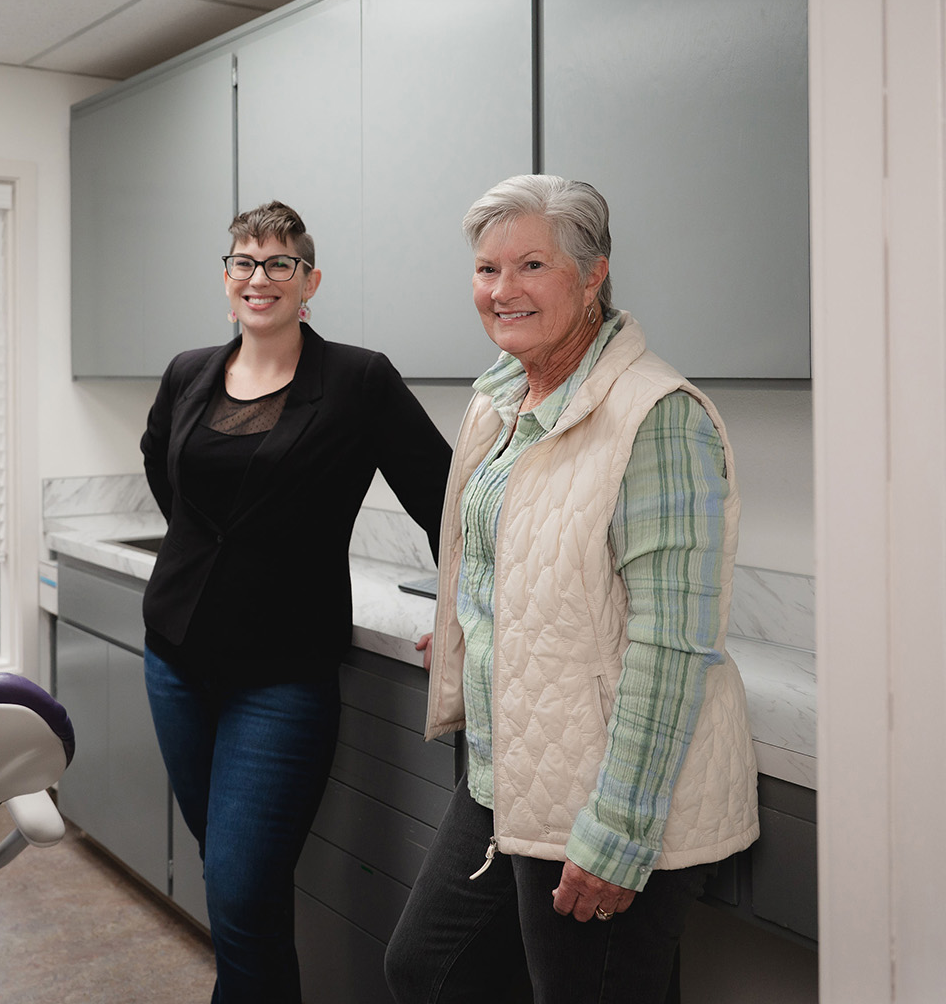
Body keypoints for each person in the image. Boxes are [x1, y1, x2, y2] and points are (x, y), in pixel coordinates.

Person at [383, 175, 758, 1003]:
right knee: (423, 970)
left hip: (599, 783)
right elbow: (511, 556)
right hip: (509, 761)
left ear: (593, 276)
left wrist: (618, 831)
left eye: (531, 266)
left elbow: (671, 640)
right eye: (486, 269)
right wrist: (474, 626)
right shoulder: (504, 397)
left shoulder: (656, 415)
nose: (501, 291)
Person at [140, 201, 452, 1003]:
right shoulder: (188, 372)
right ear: (225, 277)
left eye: (280, 263)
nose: (260, 277)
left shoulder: (357, 379)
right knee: (235, 884)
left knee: (242, 889)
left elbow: (449, 501)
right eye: (245, 260)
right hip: (175, 659)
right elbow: (166, 475)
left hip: (280, 676)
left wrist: (467, 608)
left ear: (310, 280)